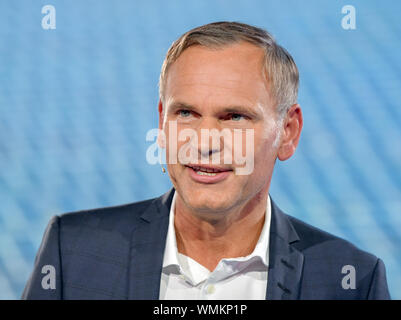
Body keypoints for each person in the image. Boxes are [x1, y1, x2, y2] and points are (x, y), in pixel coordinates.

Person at [22, 21, 390, 300]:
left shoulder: (352, 280)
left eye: (234, 117)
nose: (204, 142)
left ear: (288, 132)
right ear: (161, 122)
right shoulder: (71, 254)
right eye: (186, 113)